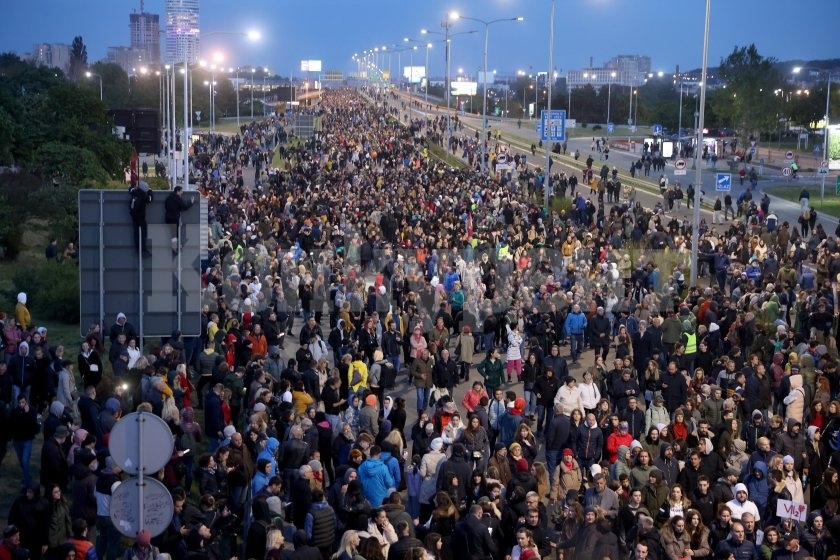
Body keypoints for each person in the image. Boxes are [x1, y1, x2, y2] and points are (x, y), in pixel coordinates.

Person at [128, 181, 153, 257]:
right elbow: (150, 199)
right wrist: (150, 191)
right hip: (141, 217)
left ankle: (137, 248)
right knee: (143, 233)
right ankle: (143, 250)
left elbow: (130, 189)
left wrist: (134, 188)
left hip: (133, 215)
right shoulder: (144, 196)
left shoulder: (134, 192)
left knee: (136, 232)